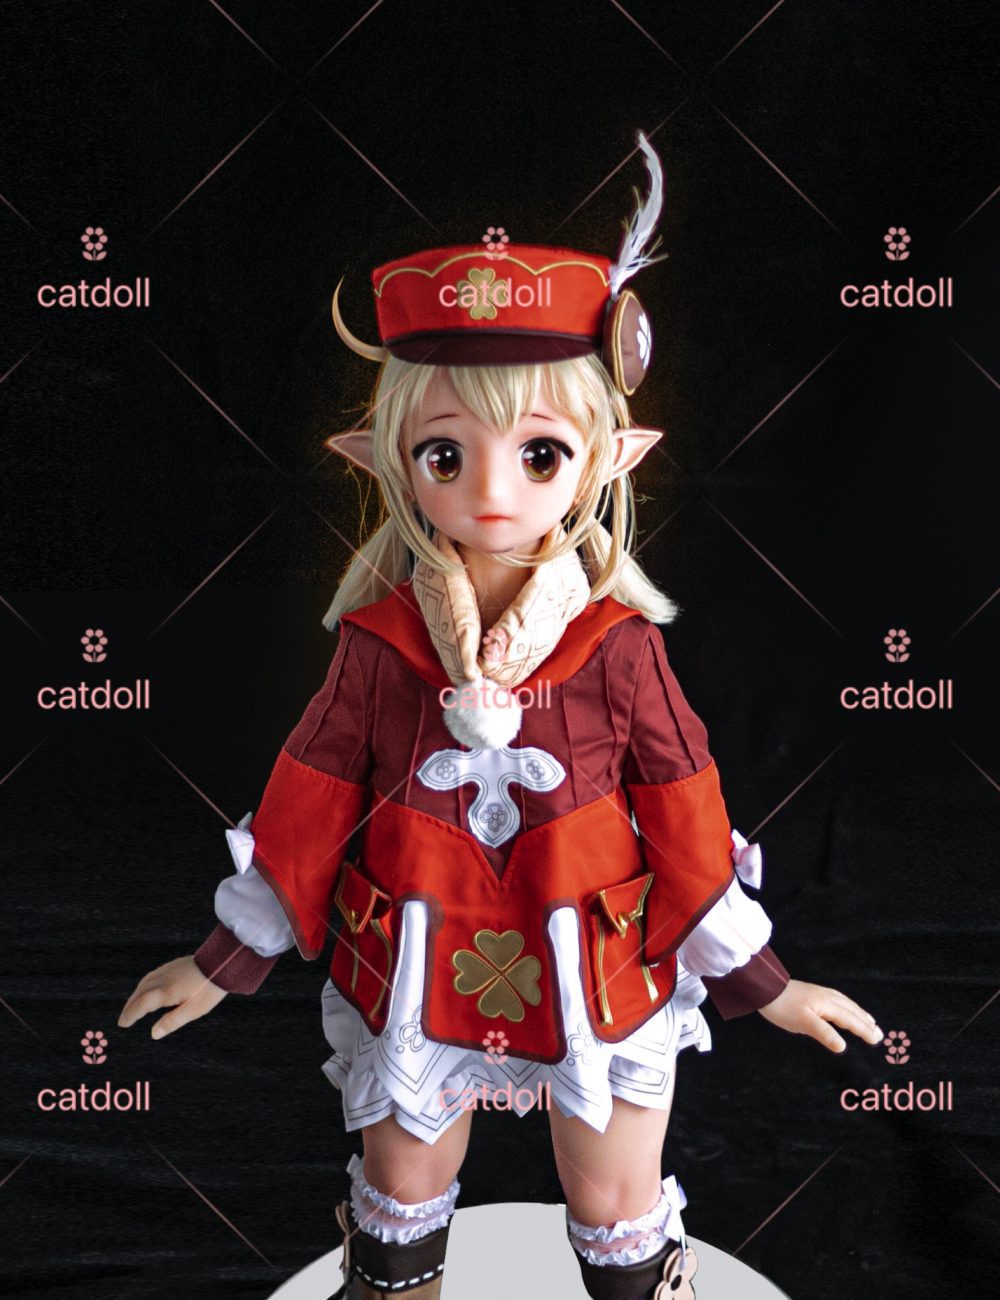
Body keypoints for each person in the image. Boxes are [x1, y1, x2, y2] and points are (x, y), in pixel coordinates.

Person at [119, 135, 882, 1300]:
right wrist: (226, 956)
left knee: (616, 1205)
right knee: (399, 1201)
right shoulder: (378, 641)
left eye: (538, 453)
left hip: (594, 962)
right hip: (416, 960)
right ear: (387, 459)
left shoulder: (618, 646)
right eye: (445, 452)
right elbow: (310, 800)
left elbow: (685, 816)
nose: (489, 490)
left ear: (603, 460)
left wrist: (763, 978)